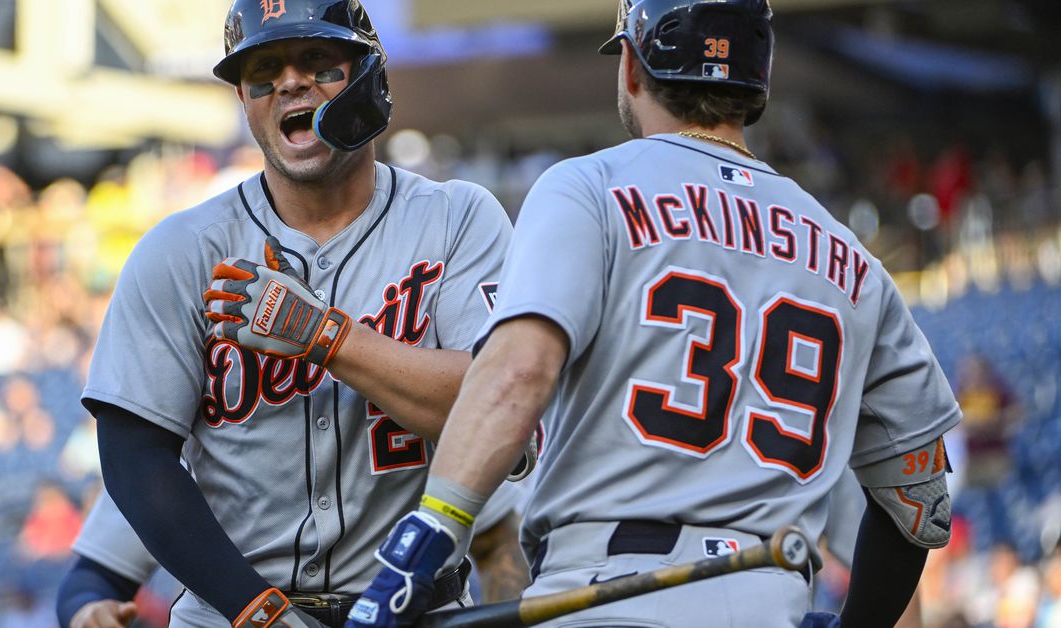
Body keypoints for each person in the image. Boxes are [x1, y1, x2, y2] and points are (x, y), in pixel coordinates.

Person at [345, 1, 961, 627]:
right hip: (772, 598)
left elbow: (516, 374)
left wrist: (416, 553)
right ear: (759, 81)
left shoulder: (588, 187)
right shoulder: (852, 258)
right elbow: (919, 501)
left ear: (634, 69)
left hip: (604, 595)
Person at [83, 0, 514, 626]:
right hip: (230, 613)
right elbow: (133, 456)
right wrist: (253, 609)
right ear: (243, 96)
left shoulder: (456, 219)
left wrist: (323, 337)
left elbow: (498, 407)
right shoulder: (182, 249)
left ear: (368, 77)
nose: (289, 81)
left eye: (317, 59)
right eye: (264, 69)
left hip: (414, 607)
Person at [55, 484, 528, 628]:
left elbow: (497, 539)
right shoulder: (180, 447)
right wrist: (87, 611)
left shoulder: (397, 400)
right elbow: (91, 578)